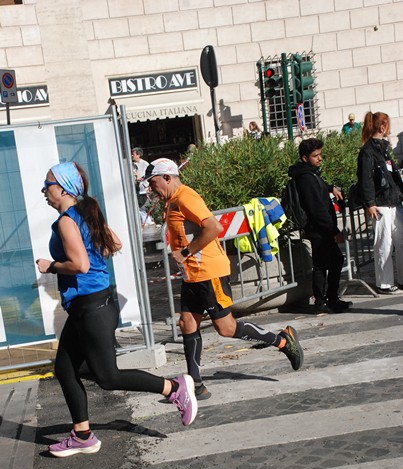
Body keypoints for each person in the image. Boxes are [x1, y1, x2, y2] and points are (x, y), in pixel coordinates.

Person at [35, 162, 197, 458]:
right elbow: (114, 245)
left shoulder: (67, 221)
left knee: (107, 377)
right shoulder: (86, 212)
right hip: (91, 303)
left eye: (47, 184)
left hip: (92, 306)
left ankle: (173, 388)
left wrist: (52, 266)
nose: (43, 190)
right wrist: (90, 252)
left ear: (62, 187)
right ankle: (82, 434)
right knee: (65, 369)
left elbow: (80, 265)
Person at [145, 158, 304, 400]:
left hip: (209, 273)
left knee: (226, 328)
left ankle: (282, 341)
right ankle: (195, 385)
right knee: (187, 323)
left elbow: (214, 227)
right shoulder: (171, 201)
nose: (151, 187)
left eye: (153, 182)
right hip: (192, 275)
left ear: (167, 177)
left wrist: (186, 252)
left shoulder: (186, 197)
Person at [288, 138, 353, 314]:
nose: (319, 158)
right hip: (319, 229)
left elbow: (321, 188)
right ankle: (322, 301)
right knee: (321, 264)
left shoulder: (310, 174)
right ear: (304, 158)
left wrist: (331, 187)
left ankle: (329, 298)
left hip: (321, 229)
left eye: (320, 155)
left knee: (332, 261)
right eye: (315, 155)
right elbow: (317, 208)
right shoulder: (307, 178)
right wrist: (334, 231)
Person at [357, 111, 403, 294]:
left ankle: (400, 278)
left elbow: (393, 176)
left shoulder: (383, 150)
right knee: (384, 243)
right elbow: (365, 179)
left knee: (400, 241)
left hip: (393, 200)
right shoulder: (368, 151)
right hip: (381, 203)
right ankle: (384, 282)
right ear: (382, 127)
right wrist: (370, 203)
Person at [131, 147, 150, 214]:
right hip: (135, 189)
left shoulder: (145, 164)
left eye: (133, 154)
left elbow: (148, 176)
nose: (132, 156)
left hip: (144, 190)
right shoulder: (131, 165)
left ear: (138, 155)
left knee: (144, 208)